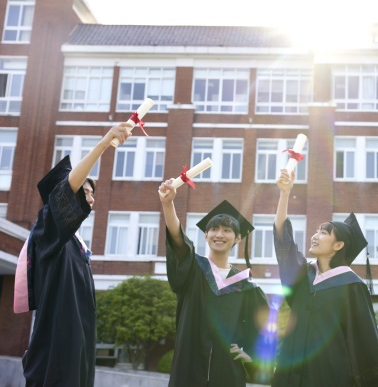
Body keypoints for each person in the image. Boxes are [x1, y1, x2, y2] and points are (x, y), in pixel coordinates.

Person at [16, 122, 133, 387]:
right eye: (86, 191)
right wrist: (103, 144)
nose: (91, 200)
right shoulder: (47, 232)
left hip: (77, 351)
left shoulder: (76, 245)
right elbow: (64, 193)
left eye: (93, 193)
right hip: (56, 352)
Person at [273, 168, 378, 387]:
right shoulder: (304, 275)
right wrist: (285, 194)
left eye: (323, 232)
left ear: (339, 245)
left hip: (328, 376)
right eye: (316, 230)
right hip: (289, 374)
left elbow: (365, 335)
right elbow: (283, 240)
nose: (315, 235)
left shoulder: (351, 285)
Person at [158, 181, 272, 387]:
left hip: (227, 374)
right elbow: (178, 242)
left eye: (227, 230)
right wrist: (168, 204)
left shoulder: (245, 285)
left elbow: (261, 329)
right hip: (189, 370)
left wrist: (252, 357)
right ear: (206, 235)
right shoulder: (193, 269)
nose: (219, 234)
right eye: (214, 229)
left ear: (237, 238)